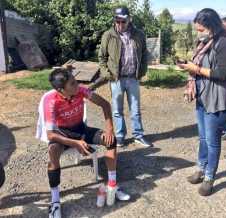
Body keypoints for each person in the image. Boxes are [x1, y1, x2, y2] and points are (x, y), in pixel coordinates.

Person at [37, 67, 129, 218]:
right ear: (61, 89)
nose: (77, 85)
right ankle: (54, 201)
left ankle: (112, 185)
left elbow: (105, 104)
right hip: (62, 134)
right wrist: (75, 143)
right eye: (72, 83)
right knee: (53, 151)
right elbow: (51, 134)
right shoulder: (50, 100)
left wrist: (110, 130)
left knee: (110, 142)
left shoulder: (81, 91)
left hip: (81, 129)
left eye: (75, 81)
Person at [177, 8, 226, 196]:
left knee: (212, 142)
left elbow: (222, 73)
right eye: (197, 29)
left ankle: (210, 177)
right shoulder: (206, 41)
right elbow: (201, 65)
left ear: (212, 26)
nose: (198, 33)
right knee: (203, 138)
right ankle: (201, 169)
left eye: (201, 29)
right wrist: (189, 66)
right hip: (203, 96)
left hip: (219, 99)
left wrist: (195, 68)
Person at [98, 6, 152, 147]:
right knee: (117, 110)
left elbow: (145, 54)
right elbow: (102, 57)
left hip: (133, 78)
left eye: (123, 21)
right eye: (117, 21)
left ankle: (138, 135)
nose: (120, 24)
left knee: (135, 109)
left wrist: (142, 71)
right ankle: (120, 136)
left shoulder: (139, 34)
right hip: (116, 79)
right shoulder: (108, 35)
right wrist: (106, 74)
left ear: (129, 20)